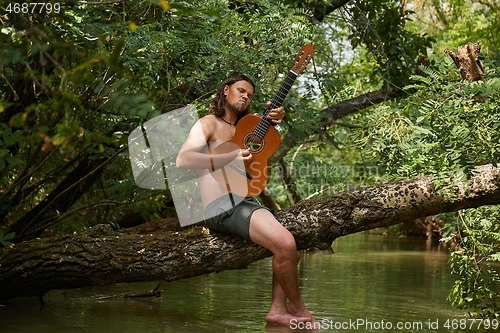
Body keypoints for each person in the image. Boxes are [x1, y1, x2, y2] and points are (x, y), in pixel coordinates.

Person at [176, 74, 314, 325]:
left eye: (249, 95)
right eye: (241, 90)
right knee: (285, 243)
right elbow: (183, 160)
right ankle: (300, 310)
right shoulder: (207, 124)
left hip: (246, 202)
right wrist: (227, 158)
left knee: (299, 239)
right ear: (226, 90)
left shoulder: (247, 127)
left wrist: (276, 121)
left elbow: (269, 141)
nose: (245, 96)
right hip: (220, 207)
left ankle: (276, 309)